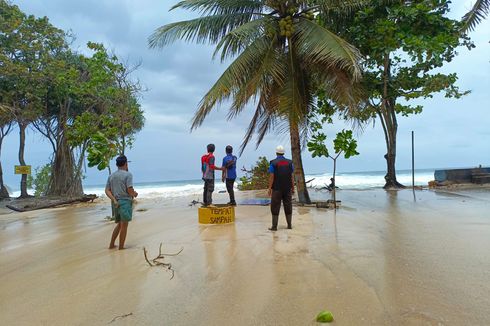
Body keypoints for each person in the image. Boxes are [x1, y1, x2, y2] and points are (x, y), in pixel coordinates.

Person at [105, 155, 138, 250]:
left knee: (119, 224)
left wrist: (114, 200)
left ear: (117, 165)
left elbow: (107, 190)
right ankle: (121, 247)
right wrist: (135, 194)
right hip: (125, 202)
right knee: (124, 225)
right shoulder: (128, 175)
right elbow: (129, 189)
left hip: (116, 203)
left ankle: (111, 245)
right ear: (126, 164)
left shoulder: (111, 176)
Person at [267, 145, 294, 231]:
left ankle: (274, 227)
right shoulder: (290, 163)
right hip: (287, 189)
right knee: (288, 205)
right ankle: (289, 225)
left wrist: (269, 188)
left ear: (276, 153)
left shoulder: (273, 163)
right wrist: (293, 187)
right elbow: (291, 177)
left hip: (277, 189)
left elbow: (272, 176)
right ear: (284, 153)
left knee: (275, 206)